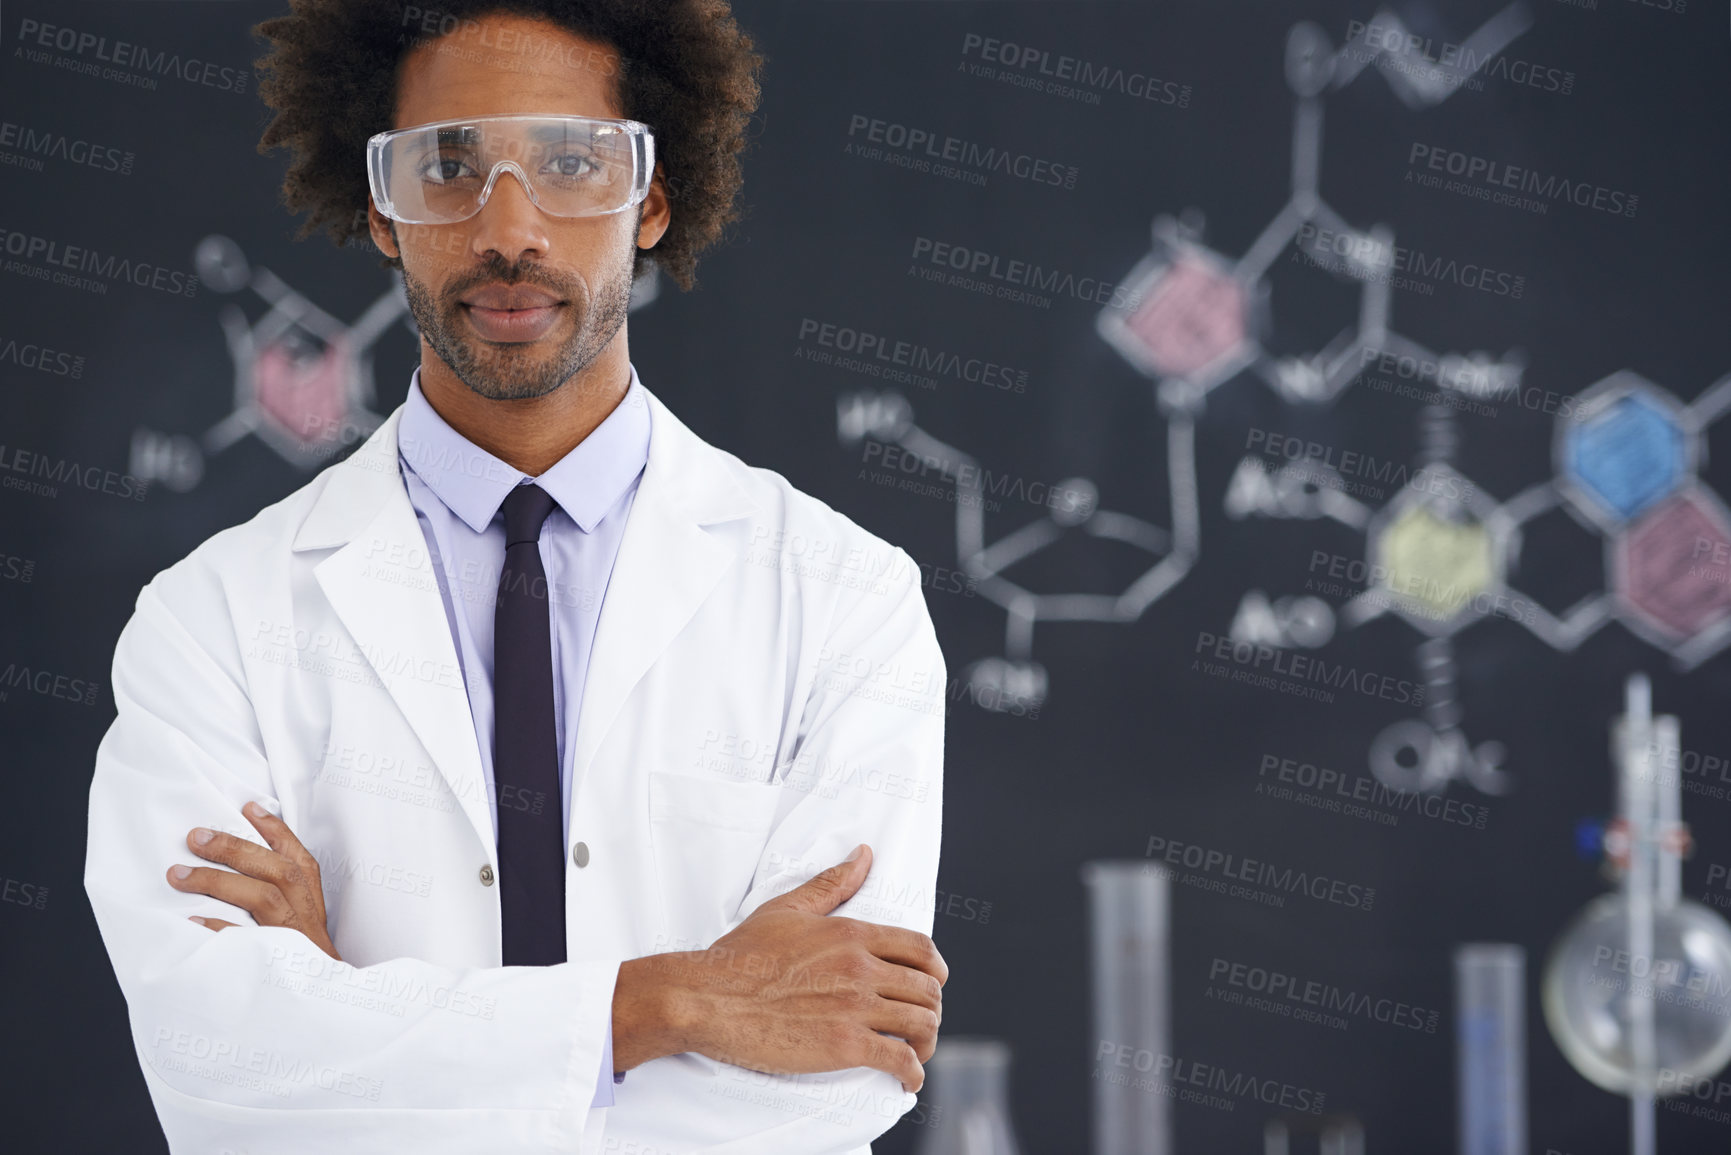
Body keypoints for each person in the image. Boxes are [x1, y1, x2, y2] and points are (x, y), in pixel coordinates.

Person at [83, 3, 947, 1152]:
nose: (509, 227)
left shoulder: (845, 599)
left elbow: (837, 1072)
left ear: (652, 197)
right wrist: (669, 1001)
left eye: (571, 163)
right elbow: (218, 1063)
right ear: (383, 211)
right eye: (446, 165)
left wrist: (358, 1019)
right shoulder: (212, 623)